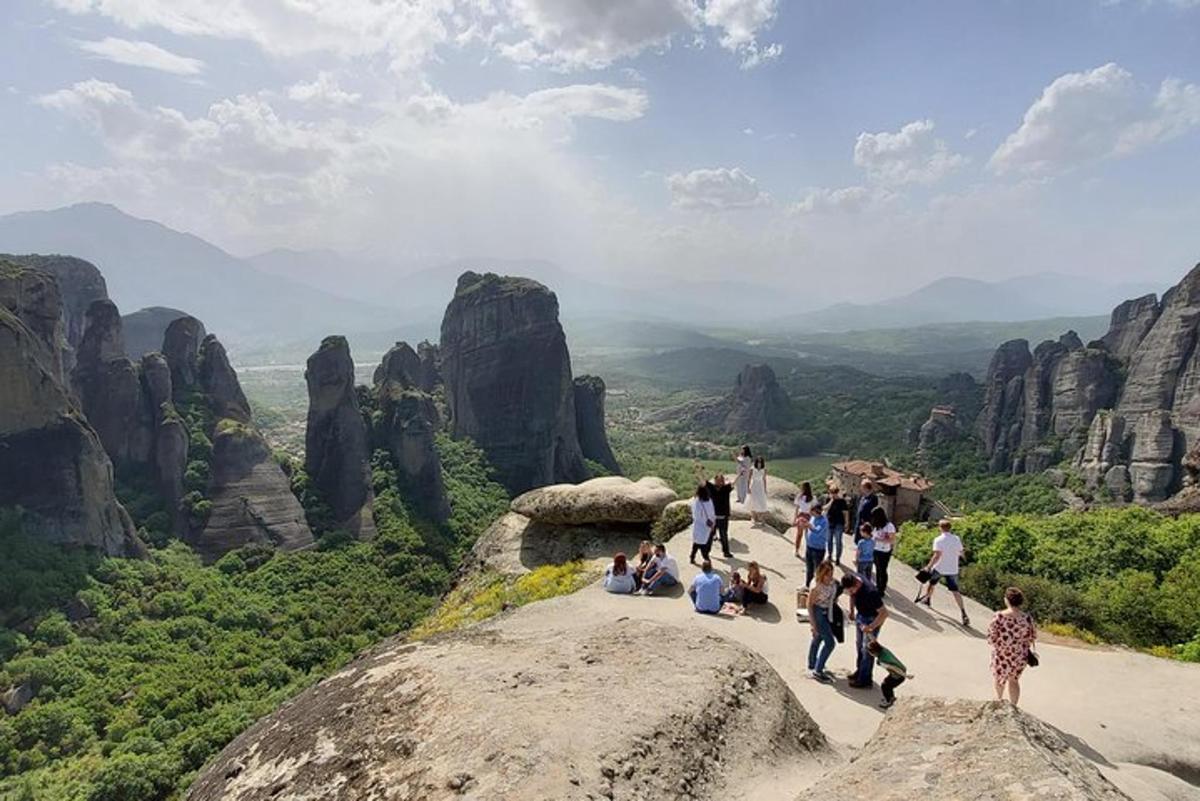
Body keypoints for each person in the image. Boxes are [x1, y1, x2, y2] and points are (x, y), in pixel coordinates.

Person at [988, 587, 1037, 706]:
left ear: (1007, 600)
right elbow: (1032, 636)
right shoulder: (1027, 618)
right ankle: (1013, 706)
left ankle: (999, 700)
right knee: (1014, 681)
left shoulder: (999, 616)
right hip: (1020, 654)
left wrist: (1000, 645)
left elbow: (991, 635)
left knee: (999, 679)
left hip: (1002, 653)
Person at [916, 520, 970, 626]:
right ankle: (963, 612)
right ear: (950, 528)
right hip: (953, 569)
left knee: (932, 584)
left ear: (940, 528)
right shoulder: (956, 538)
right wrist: (961, 559)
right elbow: (961, 552)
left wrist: (928, 567)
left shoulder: (938, 540)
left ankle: (927, 599)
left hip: (940, 567)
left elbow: (937, 556)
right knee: (955, 591)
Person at [842, 573, 888, 688]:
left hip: (872, 619)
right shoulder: (854, 579)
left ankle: (865, 680)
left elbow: (884, 613)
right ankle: (860, 671)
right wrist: (852, 611)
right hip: (861, 616)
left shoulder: (871, 592)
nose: (851, 592)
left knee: (867, 650)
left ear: (857, 583)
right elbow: (852, 596)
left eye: (852, 590)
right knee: (859, 646)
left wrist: (871, 627)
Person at [806, 559, 839, 682]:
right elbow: (809, 605)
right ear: (822, 574)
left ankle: (813, 663)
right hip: (818, 612)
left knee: (818, 638)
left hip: (826, 612)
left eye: (831, 574)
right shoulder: (816, 587)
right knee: (830, 643)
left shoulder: (831, 583)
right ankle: (818, 671)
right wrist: (813, 625)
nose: (830, 577)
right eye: (827, 574)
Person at [697, 465, 735, 558]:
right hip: (713, 517)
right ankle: (706, 552)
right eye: (718, 479)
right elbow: (703, 481)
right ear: (715, 480)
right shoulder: (712, 487)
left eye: (721, 480)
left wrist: (740, 475)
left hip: (723, 517)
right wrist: (700, 472)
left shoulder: (726, 489)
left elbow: (734, 483)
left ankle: (726, 552)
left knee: (723, 535)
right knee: (710, 536)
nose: (720, 481)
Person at [866, 640, 911, 709]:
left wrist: (906, 675)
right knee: (887, 683)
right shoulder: (883, 649)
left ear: (874, 652)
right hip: (899, 671)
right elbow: (873, 640)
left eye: (870, 652)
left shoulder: (883, 661)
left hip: (898, 675)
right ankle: (891, 698)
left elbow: (895, 668)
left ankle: (889, 701)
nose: (869, 654)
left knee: (885, 686)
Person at [799, 503, 829, 588]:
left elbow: (817, 530)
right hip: (809, 547)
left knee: (818, 570)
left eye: (812, 511)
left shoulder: (824, 521)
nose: (810, 513)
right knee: (809, 569)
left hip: (818, 549)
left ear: (816, 511)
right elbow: (810, 528)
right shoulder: (813, 518)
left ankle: (817, 587)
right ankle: (807, 585)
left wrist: (808, 525)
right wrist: (805, 524)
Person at [870, 507, 897, 594]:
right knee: (878, 569)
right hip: (876, 550)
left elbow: (892, 540)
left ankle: (882, 588)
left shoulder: (889, 526)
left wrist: (879, 540)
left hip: (884, 551)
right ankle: (878, 586)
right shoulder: (877, 526)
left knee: (882, 570)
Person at [689, 484, 716, 564]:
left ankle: (693, 557)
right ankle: (706, 558)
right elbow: (712, 513)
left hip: (699, 526)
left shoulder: (696, 501)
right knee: (705, 543)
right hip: (709, 525)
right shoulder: (709, 500)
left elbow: (696, 515)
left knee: (697, 542)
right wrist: (713, 523)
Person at [825, 486, 850, 563]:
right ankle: (829, 555)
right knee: (829, 540)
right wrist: (831, 501)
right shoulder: (828, 499)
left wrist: (847, 523)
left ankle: (838, 557)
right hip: (830, 522)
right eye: (831, 493)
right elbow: (825, 508)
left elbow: (846, 513)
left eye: (834, 493)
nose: (833, 495)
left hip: (839, 523)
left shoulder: (842, 501)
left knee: (838, 541)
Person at [748, 456, 769, 524]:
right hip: (754, 485)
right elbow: (749, 478)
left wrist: (765, 489)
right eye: (758, 461)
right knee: (753, 500)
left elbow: (764, 479)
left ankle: (762, 519)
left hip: (760, 486)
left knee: (762, 501)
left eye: (760, 461)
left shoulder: (764, 469)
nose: (759, 463)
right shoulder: (752, 469)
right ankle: (753, 517)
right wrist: (748, 487)